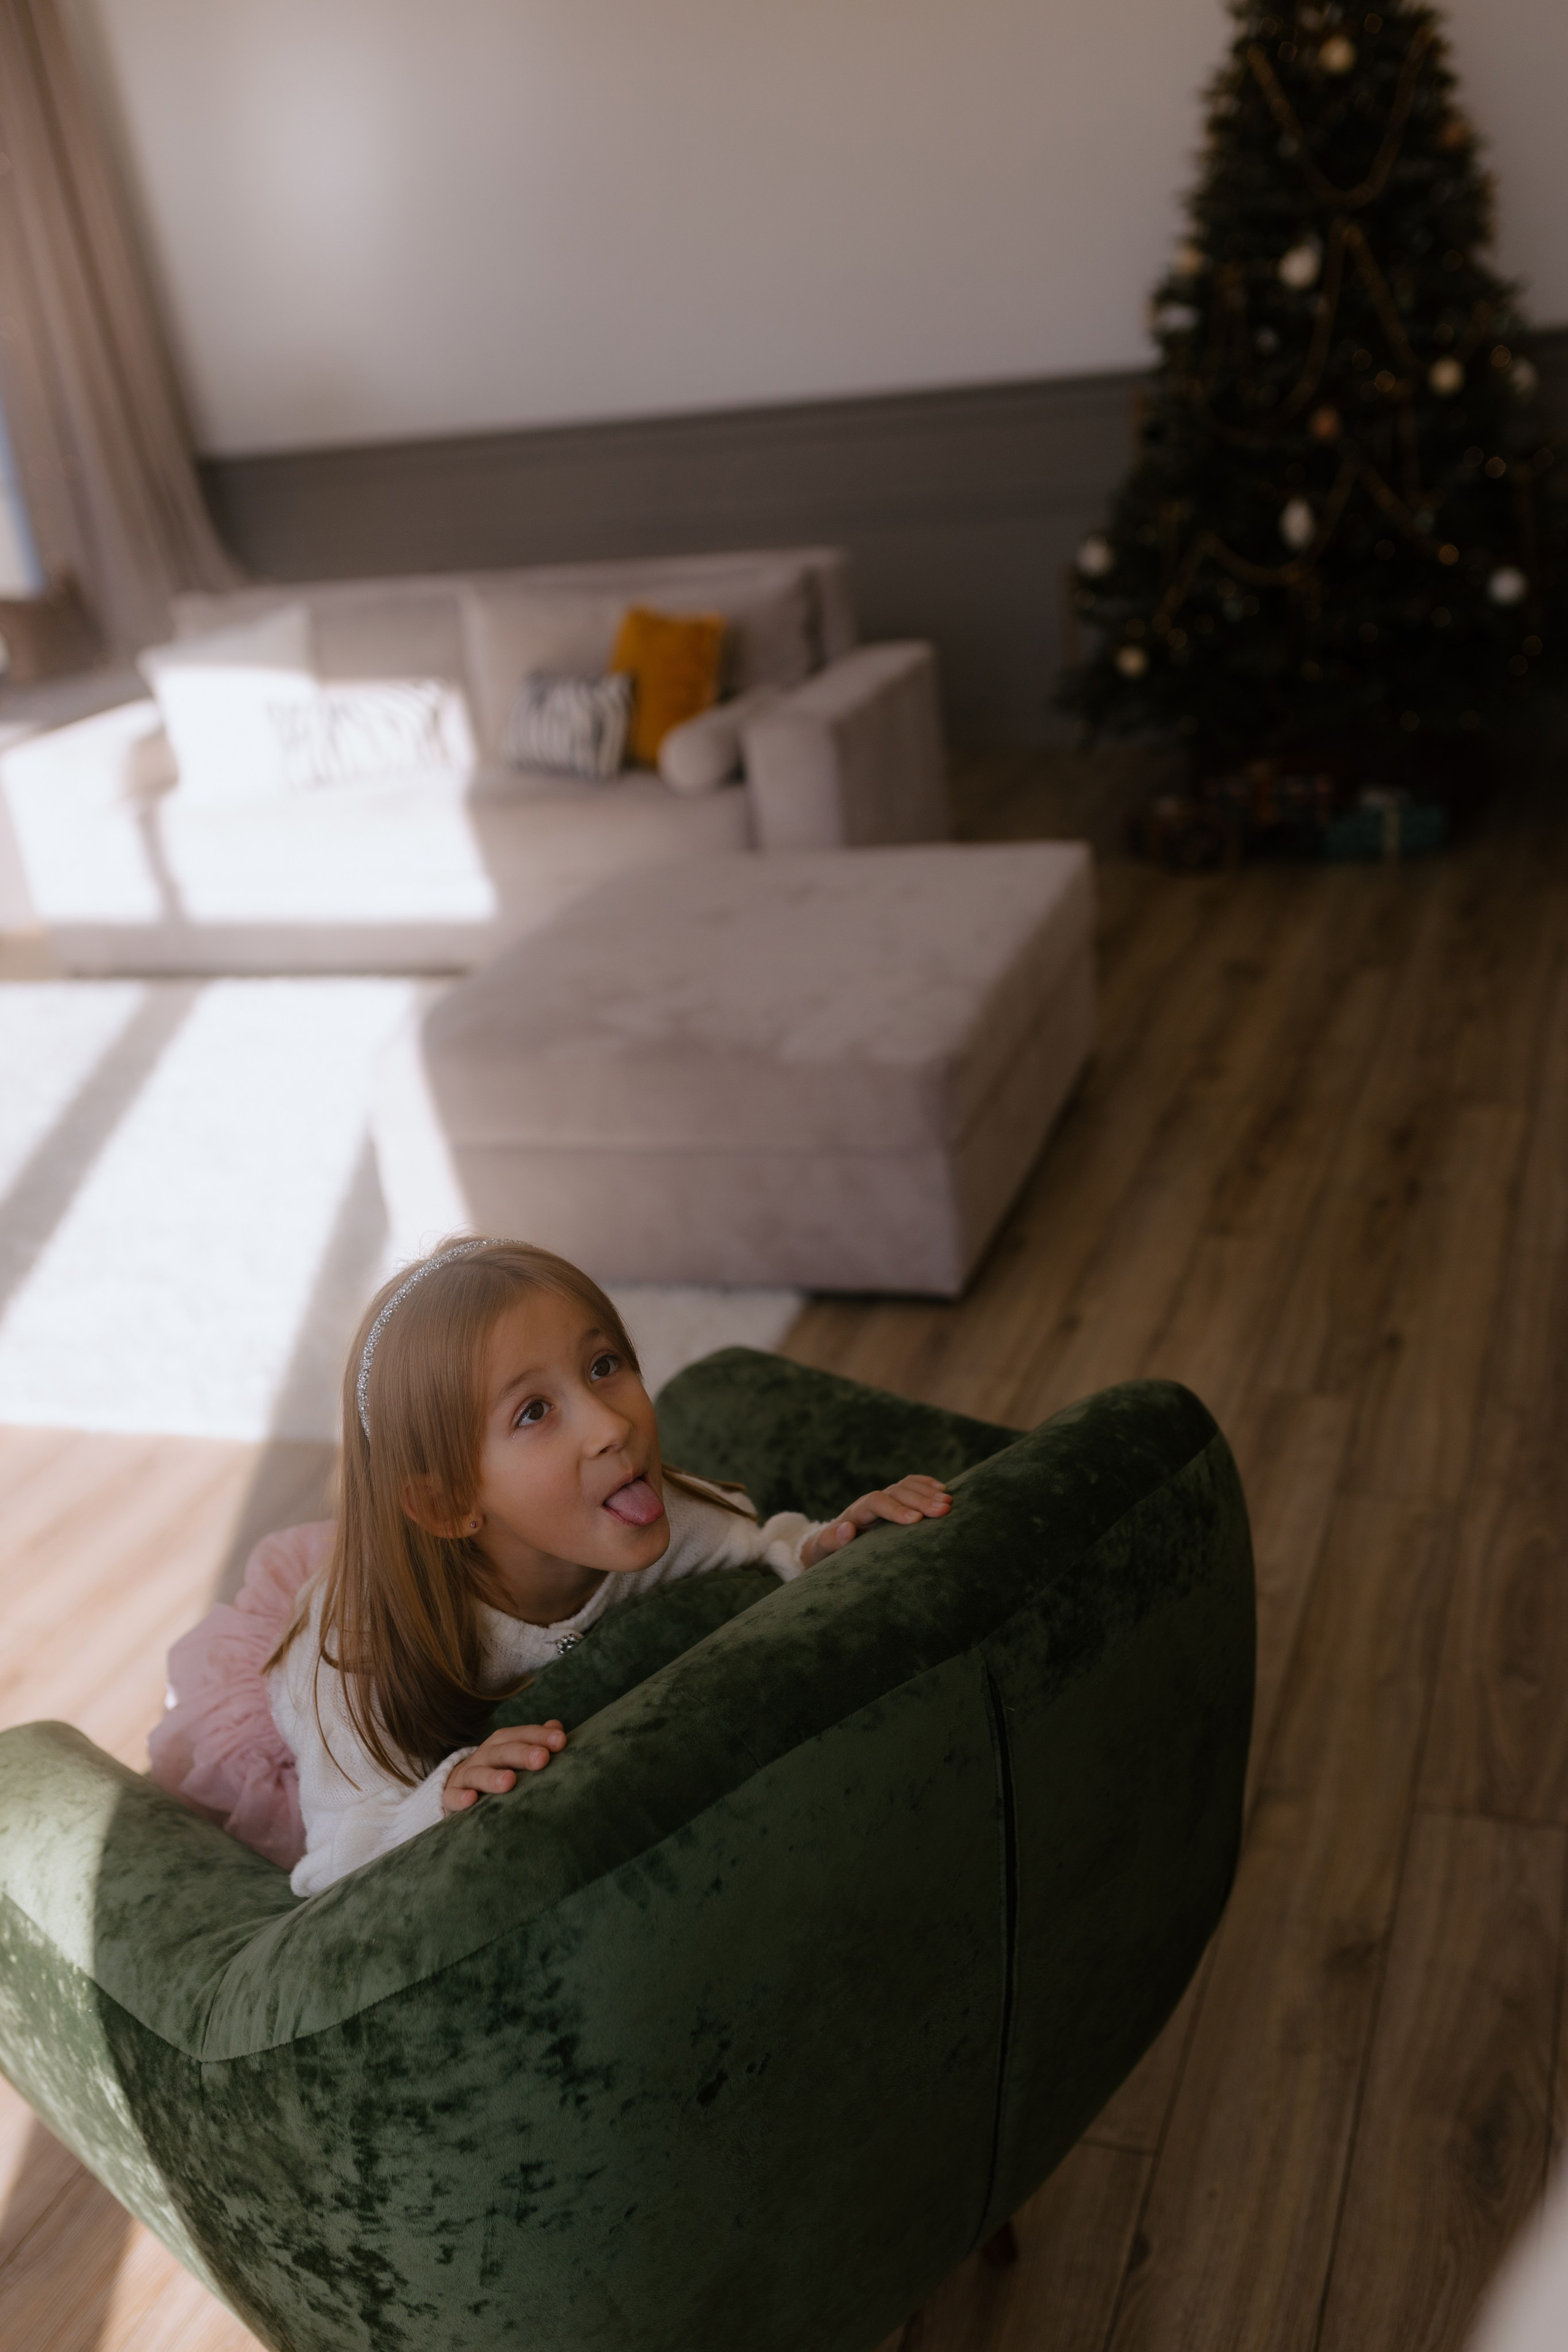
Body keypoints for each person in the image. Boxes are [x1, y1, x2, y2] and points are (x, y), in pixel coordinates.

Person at [149, 1237, 951, 1898]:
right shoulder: (349, 1658)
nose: (611, 1425)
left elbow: (759, 1545)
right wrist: (443, 1789)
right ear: (447, 1503)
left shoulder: (654, 1507)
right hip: (312, 1700)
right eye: (534, 1412)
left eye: (604, 1366)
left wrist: (828, 1544)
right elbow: (342, 1857)